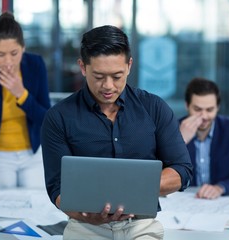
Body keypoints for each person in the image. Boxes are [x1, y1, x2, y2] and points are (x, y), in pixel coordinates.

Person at [41, 25, 193, 240]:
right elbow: (57, 188)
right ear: (83, 67)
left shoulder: (154, 108)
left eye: (117, 76)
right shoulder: (58, 117)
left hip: (141, 225)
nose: (108, 86)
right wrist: (84, 213)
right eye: (99, 76)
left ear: (129, 66)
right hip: (86, 227)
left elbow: (182, 170)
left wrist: (133, 187)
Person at [0, 12, 51, 198]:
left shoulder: (36, 65)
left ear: (23, 48)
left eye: (14, 53)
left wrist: (22, 94)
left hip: (33, 153)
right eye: (1, 55)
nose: (8, 62)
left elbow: (47, 120)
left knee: (38, 206)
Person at [179, 77, 229, 199]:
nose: (204, 116)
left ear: (218, 107)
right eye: (197, 109)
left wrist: (220, 187)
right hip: (184, 201)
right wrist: (180, 141)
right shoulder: (173, 129)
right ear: (187, 105)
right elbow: (159, 175)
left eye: (209, 110)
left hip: (221, 202)